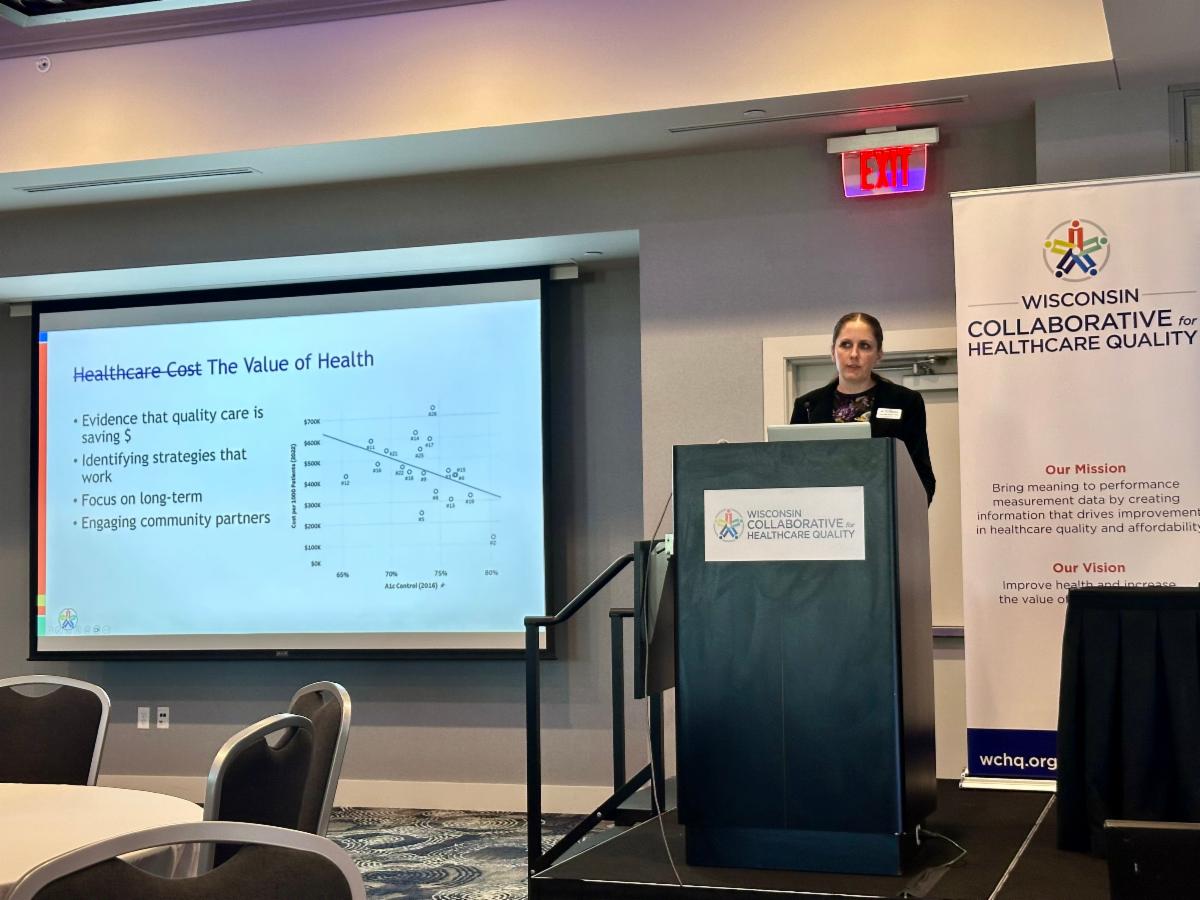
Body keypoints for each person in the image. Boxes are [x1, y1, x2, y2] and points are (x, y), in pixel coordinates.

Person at [790, 312, 936, 504]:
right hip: (821, 513)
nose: (854, 354)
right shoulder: (807, 406)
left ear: (878, 354)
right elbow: (790, 471)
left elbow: (920, 475)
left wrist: (906, 512)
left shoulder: (905, 402)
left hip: (883, 510)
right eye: (846, 344)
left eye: (864, 346)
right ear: (833, 351)